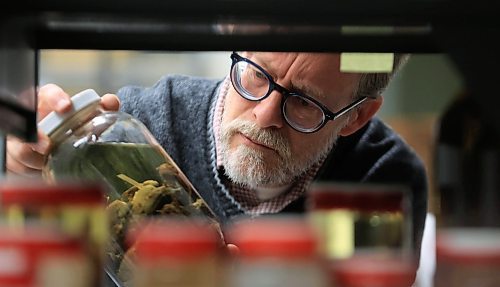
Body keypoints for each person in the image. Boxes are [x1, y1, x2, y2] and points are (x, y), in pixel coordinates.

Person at [6, 51, 427, 257]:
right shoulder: (140, 127)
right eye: (257, 75)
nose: (265, 115)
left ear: (356, 118)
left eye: (304, 103)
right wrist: (20, 165)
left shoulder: (380, 180)